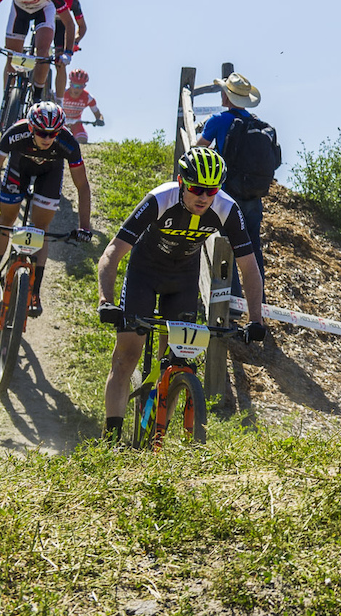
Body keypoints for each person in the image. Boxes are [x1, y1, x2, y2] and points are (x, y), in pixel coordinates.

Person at [95, 146, 266, 444]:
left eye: (211, 190)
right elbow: (112, 252)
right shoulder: (160, 199)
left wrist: (257, 319)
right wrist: (105, 302)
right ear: (180, 182)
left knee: (177, 362)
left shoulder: (226, 208)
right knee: (127, 356)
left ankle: (154, 439)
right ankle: (109, 439)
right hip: (144, 276)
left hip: (183, 280)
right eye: (196, 188)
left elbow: (249, 267)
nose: (204, 197)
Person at [0, 100, 94, 316]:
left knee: (41, 229)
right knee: (5, 222)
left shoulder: (67, 142)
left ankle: (35, 291)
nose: (47, 138)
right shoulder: (16, 133)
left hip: (49, 174)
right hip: (19, 169)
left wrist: (84, 227)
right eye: (41, 132)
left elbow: (82, 185)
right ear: (31, 128)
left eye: (53, 133)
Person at [198, 73, 281, 308]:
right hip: (254, 196)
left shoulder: (218, 120)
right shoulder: (258, 123)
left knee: (227, 245)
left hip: (227, 194)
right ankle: (259, 303)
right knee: (253, 248)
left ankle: (232, 303)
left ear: (226, 97)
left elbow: (197, 150)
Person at [45, 0, 87, 100]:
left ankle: (59, 101)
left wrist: (75, 41)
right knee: (39, 52)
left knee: (60, 63)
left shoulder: (72, 1)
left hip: (62, 28)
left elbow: (82, 26)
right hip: (44, 24)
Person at [61, 68, 105, 143]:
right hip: (61, 123)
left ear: (84, 86)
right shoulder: (61, 94)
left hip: (77, 124)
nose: (76, 89)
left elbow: (98, 114)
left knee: (82, 140)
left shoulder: (88, 98)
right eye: (74, 85)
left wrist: (100, 120)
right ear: (70, 84)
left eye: (80, 86)